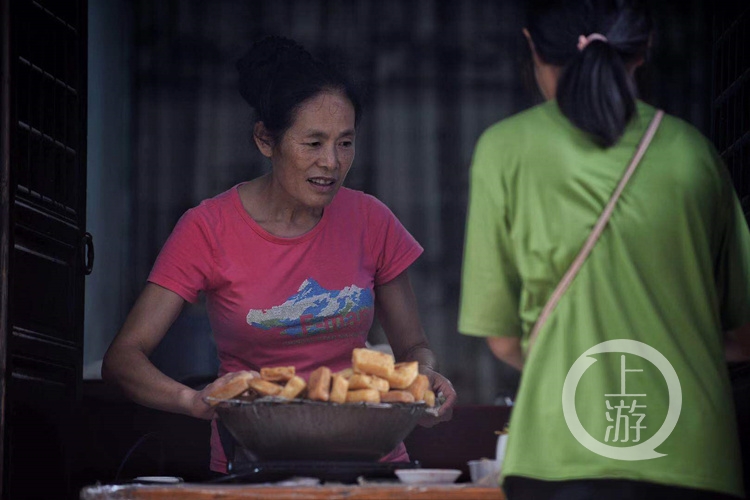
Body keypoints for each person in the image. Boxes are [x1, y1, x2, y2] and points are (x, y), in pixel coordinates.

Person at [102, 35, 456, 474]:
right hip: (255, 465)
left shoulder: (371, 219)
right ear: (265, 141)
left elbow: (414, 347)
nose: (331, 162)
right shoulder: (208, 228)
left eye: (345, 143)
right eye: (313, 143)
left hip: (369, 462)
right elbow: (123, 359)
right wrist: (193, 401)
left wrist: (426, 379)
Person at [458, 0, 750, 499]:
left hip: (557, 454)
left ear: (533, 46)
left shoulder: (505, 149)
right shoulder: (693, 154)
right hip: (692, 457)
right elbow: (743, 337)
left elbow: (503, 340)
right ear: (643, 51)